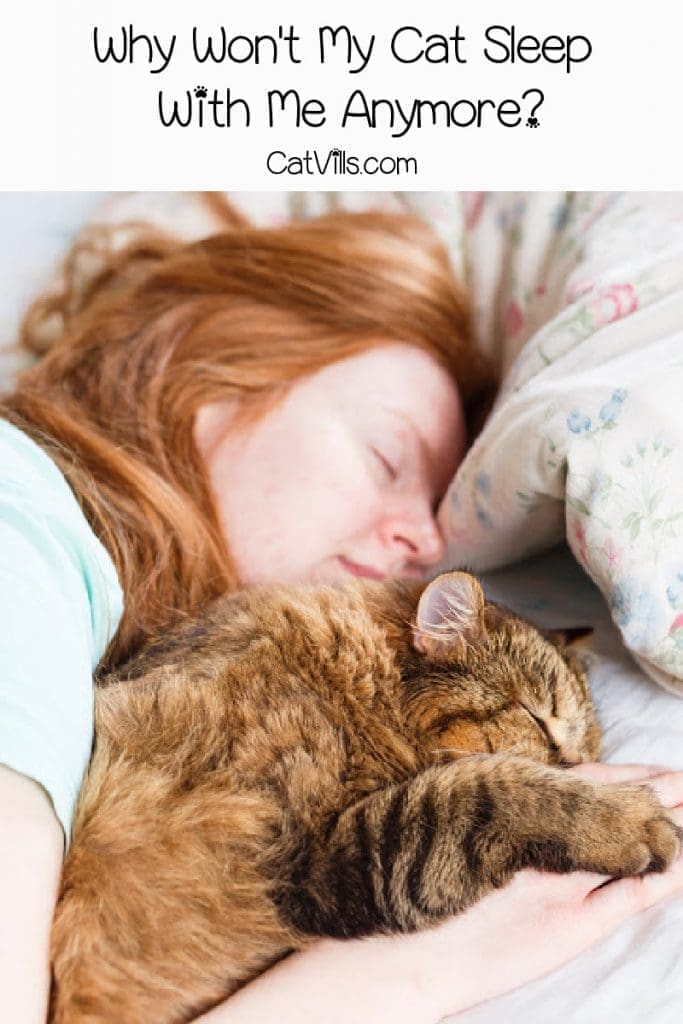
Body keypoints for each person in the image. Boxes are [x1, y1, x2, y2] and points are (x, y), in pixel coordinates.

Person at [1, 203, 682, 1024]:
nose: (426, 537)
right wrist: (417, 975)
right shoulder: (20, 520)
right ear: (210, 356)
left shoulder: (104, 618)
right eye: (386, 456)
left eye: (434, 508)